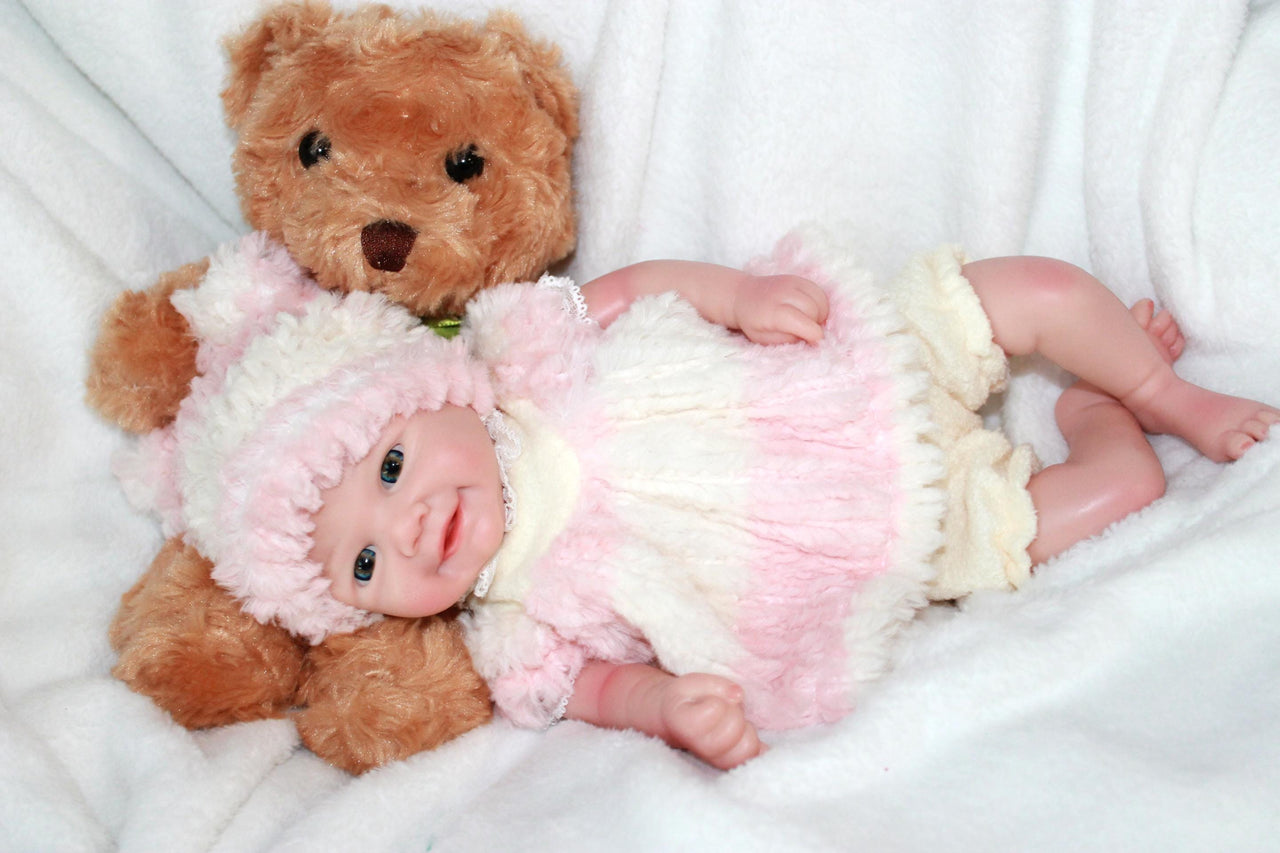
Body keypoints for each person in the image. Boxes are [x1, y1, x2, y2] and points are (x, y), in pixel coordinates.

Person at [132, 230, 1277, 770]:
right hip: (876, 538)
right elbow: (597, 685)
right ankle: (1099, 417)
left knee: (1029, 287)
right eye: (365, 564)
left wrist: (737, 291)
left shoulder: (523, 351)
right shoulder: (511, 624)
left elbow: (630, 290)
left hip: (848, 360)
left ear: (430, 389)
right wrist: (667, 710)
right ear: (353, 610)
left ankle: (1161, 385)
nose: (405, 524)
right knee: (1109, 497)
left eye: (387, 469)